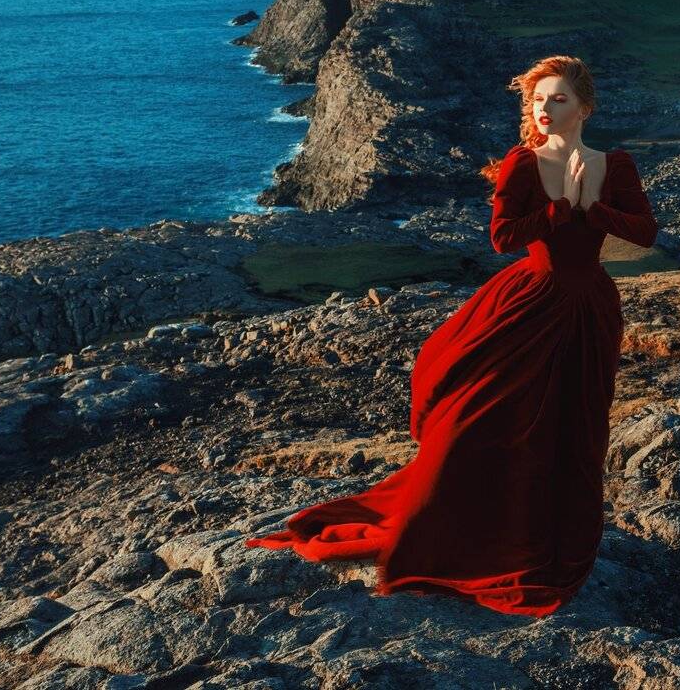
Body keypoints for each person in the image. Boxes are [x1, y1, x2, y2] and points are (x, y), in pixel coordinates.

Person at [243, 54, 658, 616]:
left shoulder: (616, 164)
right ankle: (467, 532)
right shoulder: (521, 164)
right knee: (488, 418)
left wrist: (596, 207)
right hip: (529, 304)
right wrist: (564, 209)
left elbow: (645, 231)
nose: (544, 109)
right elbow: (503, 237)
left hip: (590, 310)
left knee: (574, 423)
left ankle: (555, 537)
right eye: (537, 100)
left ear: (584, 107)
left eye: (557, 99)